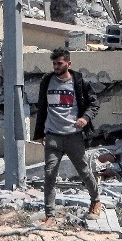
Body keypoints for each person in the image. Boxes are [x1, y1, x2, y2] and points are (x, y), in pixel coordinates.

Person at [32, 47, 102, 224]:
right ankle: (50, 215)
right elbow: (42, 108)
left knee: (84, 171)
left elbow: (94, 104)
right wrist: (39, 133)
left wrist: (85, 119)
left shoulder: (79, 82)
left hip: (73, 136)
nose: (56, 66)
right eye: (54, 63)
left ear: (68, 63)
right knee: (49, 175)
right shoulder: (47, 81)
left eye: (59, 63)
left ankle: (96, 201)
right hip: (53, 136)